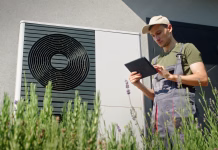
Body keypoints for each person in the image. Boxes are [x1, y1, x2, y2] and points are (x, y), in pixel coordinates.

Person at [129, 15, 208, 146]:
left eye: (158, 33)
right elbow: (155, 96)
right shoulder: (155, 60)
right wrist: (138, 84)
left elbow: (203, 79)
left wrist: (171, 77)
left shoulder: (186, 49)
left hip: (181, 117)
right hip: (159, 121)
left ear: (169, 28)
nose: (156, 38)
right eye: (153, 36)